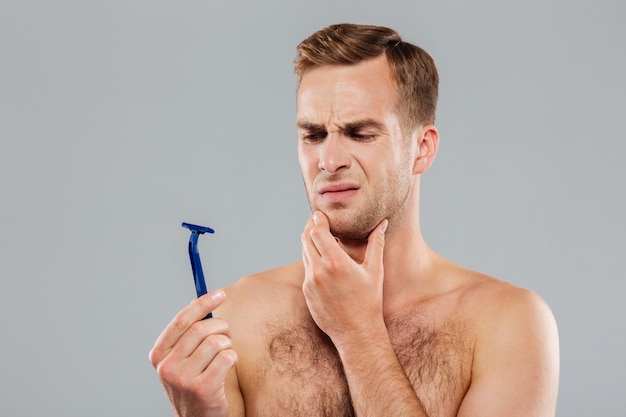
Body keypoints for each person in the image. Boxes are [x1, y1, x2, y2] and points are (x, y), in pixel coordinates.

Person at [149, 23, 560, 417]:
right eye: (313, 135)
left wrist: (359, 334)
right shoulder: (237, 318)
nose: (328, 161)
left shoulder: (509, 325)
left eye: (360, 134)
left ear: (422, 148)